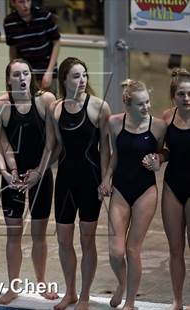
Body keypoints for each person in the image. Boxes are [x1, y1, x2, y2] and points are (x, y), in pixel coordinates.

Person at [0, 59, 57, 304]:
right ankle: (13, 286)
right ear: (8, 79)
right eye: (16, 75)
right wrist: (4, 172)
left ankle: (41, 283)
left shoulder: (45, 101)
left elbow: (52, 142)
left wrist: (40, 170)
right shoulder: (1, 106)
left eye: (25, 73)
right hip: (13, 178)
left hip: (40, 174)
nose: (22, 78)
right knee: (13, 234)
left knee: (39, 234)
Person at [99, 79, 166, 310]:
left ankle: (130, 301)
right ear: (127, 105)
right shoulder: (114, 123)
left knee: (132, 249)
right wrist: (106, 178)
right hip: (120, 189)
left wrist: (158, 160)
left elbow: (164, 152)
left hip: (145, 191)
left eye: (147, 102)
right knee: (115, 252)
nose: (146, 107)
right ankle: (121, 284)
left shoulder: (157, 126)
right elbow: (114, 156)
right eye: (140, 104)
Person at [52, 57, 111, 310]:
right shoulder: (56, 109)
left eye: (84, 75)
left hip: (91, 180)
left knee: (87, 240)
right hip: (65, 180)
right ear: (64, 80)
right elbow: (55, 148)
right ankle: (71, 292)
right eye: (76, 76)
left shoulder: (99, 107)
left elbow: (107, 150)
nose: (82, 80)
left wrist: (107, 179)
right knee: (64, 240)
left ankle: (85, 295)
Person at [143, 68, 190, 310]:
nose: (187, 98)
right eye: (182, 94)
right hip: (173, 185)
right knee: (175, 249)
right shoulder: (167, 118)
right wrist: (158, 160)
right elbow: (165, 151)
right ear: (174, 97)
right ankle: (178, 301)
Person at [4, 0, 60, 93]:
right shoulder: (9, 22)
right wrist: (13, 72)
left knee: (49, 102)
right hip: (26, 72)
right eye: (21, 2)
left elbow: (56, 43)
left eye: (28, 1)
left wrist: (49, 72)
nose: (26, 5)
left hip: (46, 69)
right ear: (13, 3)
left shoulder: (44, 16)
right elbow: (13, 49)